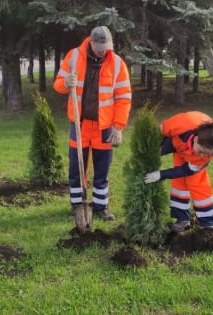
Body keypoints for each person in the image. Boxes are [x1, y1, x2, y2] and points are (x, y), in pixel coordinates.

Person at [53, 26, 132, 221]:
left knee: (102, 169)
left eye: (107, 46)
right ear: (91, 42)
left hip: (103, 127)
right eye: (100, 47)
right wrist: (65, 84)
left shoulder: (116, 64)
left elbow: (124, 97)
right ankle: (77, 207)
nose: (103, 50)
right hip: (79, 125)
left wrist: (118, 126)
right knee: (76, 169)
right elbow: (58, 84)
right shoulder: (73, 57)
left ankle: (100, 207)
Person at [144, 111, 213, 232]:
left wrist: (161, 175)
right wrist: (154, 149)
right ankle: (182, 219)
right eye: (201, 151)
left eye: (206, 154)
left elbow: (187, 170)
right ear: (196, 139)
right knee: (179, 184)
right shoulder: (182, 124)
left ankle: (209, 224)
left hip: (189, 157)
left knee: (198, 185)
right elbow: (160, 131)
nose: (203, 155)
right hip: (178, 143)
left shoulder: (208, 154)